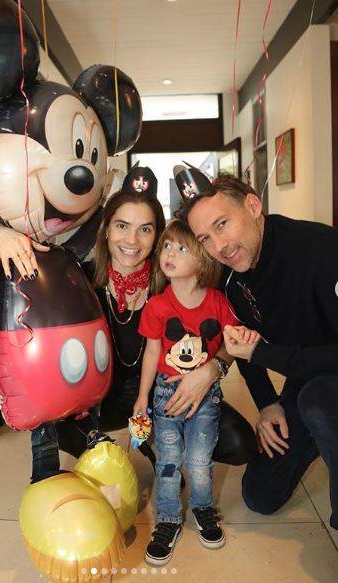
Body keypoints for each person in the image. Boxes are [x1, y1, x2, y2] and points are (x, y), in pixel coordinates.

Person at [0, 166, 256, 482]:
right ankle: (106, 453)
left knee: (239, 443)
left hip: (161, 392)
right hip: (95, 401)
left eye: (145, 229)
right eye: (122, 226)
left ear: (157, 236)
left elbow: (230, 333)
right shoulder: (76, 278)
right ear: (106, 230)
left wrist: (211, 370)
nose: (132, 240)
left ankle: (161, 440)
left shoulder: (177, 279)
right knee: (60, 426)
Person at [178, 168, 338, 531]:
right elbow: (241, 341)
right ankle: (321, 431)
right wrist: (267, 403)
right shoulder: (229, 276)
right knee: (260, 494)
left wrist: (264, 355)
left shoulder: (321, 249)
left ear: (252, 206)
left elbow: (256, 353)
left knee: (318, 402)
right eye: (205, 238)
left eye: (222, 224)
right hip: (308, 379)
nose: (219, 247)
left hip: (323, 383)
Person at [134, 219, 258, 565]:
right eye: (166, 246)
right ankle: (168, 520)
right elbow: (152, 353)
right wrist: (143, 397)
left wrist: (245, 337)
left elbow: (233, 341)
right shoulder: (157, 306)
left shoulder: (219, 302)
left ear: (203, 259)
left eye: (181, 248)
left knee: (199, 460)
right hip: (165, 396)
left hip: (206, 398)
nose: (169, 254)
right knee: (169, 461)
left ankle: (202, 508)